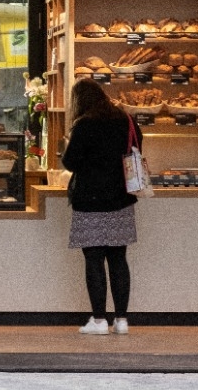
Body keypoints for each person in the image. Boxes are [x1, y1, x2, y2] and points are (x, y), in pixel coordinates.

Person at [61, 77, 140, 336]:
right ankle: (121, 320)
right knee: (118, 258)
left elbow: (70, 162)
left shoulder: (84, 124)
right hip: (121, 199)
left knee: (94, 259)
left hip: (90, 200)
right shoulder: (126, 120)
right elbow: (136, 148)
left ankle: (99, 320)